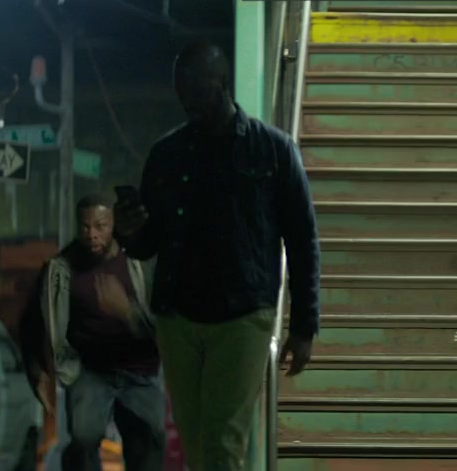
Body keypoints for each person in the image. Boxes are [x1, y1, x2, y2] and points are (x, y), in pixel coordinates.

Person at [113, 42, 321, 471]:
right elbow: (148, 244)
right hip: (178, 319)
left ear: (222, 82)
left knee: (223, 446)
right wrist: (129, 231)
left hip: (242, 318)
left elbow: (302, 240)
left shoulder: (272, 150)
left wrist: (304, 325)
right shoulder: (167, 154)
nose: (187, 99)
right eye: (181, 90)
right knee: (198, 448)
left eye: (196, 88)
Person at [19, 194, 166, 471]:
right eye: (85, 227)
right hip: (90, 371)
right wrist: (36, 371)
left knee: (148, 442)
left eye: (100, 226)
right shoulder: (61, 268)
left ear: (114, 225)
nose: (92, 235)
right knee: (83, 442)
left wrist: (127, 311)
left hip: (140, 372)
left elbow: (163, 323)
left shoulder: (139, 262)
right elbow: (31, 322)